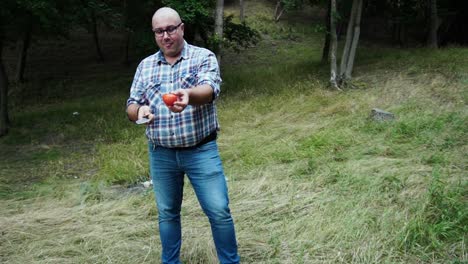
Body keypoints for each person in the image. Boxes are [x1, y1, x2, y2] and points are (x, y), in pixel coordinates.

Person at [125, 7, 240, 264]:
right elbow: (131, 105)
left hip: (201, 150)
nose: (166, 36)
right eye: (159, 31)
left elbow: (210, 89)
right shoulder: (145, 67)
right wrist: (139, 111)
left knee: (219, 211)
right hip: (161, 154)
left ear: (182, 28)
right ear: (154, 34)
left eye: (170, 29)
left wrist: (189, 96)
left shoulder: (202, 57)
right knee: (167, 214)